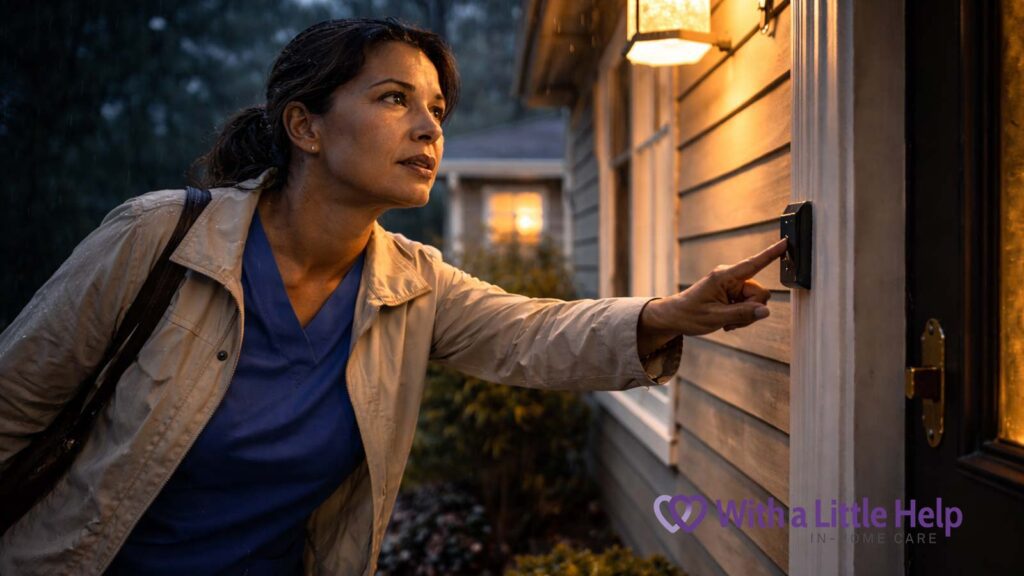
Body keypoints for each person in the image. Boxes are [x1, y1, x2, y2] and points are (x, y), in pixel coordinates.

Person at [0, 17, 787, 576]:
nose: (429, 128)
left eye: (437, 110)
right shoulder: (159, 237)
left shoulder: (411, 281)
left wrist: (664, 314)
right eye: (393, 100)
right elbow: (13, 405)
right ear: (305, 127)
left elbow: (531, 333)